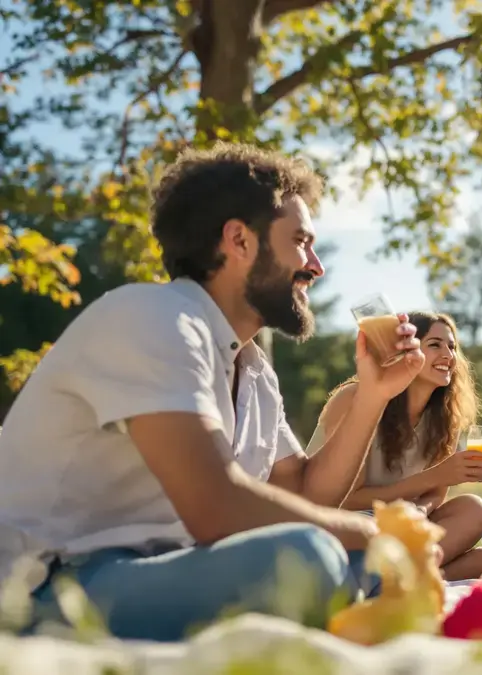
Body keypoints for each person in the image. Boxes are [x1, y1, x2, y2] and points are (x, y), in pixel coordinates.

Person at [0, 143, 429, 642]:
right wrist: (379, 534)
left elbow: (307, 493)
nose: (316, 265)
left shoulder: (253, 370)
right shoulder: (152, 317)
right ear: (238, 240)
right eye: (301, 241)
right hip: (43, 584)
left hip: (159, 569)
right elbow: (216, 508)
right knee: (311, 558)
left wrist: (374, 395)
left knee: (363, 563)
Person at [309, 311, 482, 581]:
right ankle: (420, 577)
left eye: (452, 347)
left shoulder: (446, 419)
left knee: (474, 509)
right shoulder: (357, 399)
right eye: (435, 345)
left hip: (403, 524)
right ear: (408, 351)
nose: (448, 355)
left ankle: (403, 579)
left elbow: (435, 495)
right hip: (350, 519)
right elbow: (344, 499)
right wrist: (433, 477)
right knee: (479, 561)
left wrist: (422, 509)